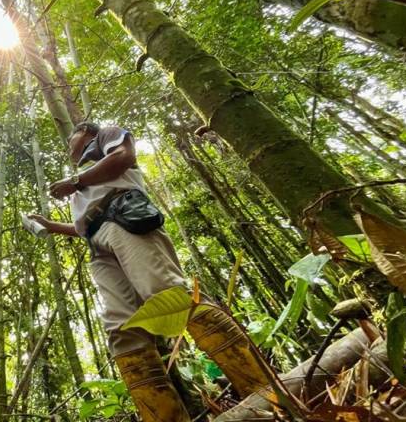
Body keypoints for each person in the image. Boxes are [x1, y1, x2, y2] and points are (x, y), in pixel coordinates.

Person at [30, 122, 271, 421]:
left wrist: (76, 180)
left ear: (86, 132)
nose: (68, 146)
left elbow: (123, 157)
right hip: (96, 242)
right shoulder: (85, 179)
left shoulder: (105, 135)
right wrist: (52, 226)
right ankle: (165, 417)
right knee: (123, 328)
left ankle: (264, 392)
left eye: (71, 139)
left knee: (170, 295)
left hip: (124, 219)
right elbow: (85, 224)